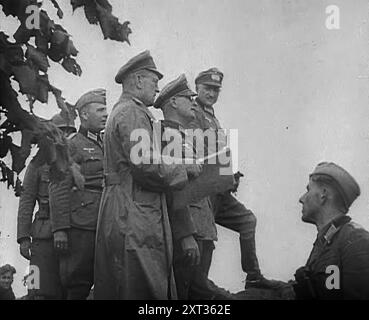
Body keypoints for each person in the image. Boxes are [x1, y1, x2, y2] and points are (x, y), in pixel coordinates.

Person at [94, 51, 198, 300]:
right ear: (138, 80)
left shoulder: (127, 111)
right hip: (133, 211)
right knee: (142, 287)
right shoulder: (132, 113)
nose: (157, 87)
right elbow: (145, 164)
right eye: (154, 81)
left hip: (126, 206)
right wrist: (185, 169)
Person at [191, 68, 279, 289]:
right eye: (207, 89)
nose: (211, 94)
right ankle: (198, 289)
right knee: (205, 241)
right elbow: (198, 154)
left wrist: (231, 174)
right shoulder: (193, 114)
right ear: (197, 88)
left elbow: (217, 153)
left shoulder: (211, 116)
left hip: (219, 190)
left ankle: (253, 275)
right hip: (204, 192)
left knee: (247, 221)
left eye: (215, 90)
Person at [154, 74, 234, 299]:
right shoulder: (169, 137)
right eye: (187, 98)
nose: (193, 102)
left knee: (194, 290)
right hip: (189, 226)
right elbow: (175, 188)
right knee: (187, 288)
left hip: (202, 221)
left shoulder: (184, 137)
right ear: (173, 103)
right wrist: (185, 234)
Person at [49, 89, 107, 300]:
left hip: (105, 221)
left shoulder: (107, 144)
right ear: (84, 114)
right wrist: (60, 230)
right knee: (77, 283)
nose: (105, 114)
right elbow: (58, 187)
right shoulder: (71, 144)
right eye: (100, 110)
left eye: (106, 109)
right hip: (81, 224)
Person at [16, 113, 76, 300]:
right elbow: (26, 201)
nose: (64, 136)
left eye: (68, 132)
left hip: (71, 233)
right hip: (42, 237)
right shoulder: (37, 164)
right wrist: (23, 238)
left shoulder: (76, 161)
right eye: (60, 132)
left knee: (69, 289)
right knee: (37, 289)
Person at [293, 162, 369, 299]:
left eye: (308, 190)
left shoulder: (355, 239)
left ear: (323, 194)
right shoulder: (324, 242)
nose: (302, 199)